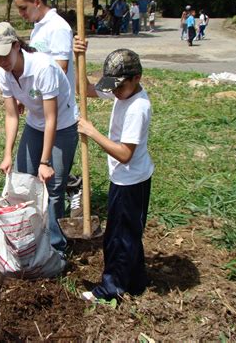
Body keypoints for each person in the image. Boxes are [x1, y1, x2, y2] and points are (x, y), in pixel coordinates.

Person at [0, 22, 78, 256]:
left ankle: (56, 247)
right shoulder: (3, 72)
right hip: (35, 124)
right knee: (22, 179)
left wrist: (45, 162)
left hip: (62, 125)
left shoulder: (43, 67)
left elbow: (51, 119)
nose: (1, 61)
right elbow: (11, 114)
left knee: (53, 188)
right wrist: (7, 154)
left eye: (5, 54)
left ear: (17, 46)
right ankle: (30, 240)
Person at [73, 38, 154, 303]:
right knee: (128, 232)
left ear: (136, 78)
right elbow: (83, 88)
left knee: (119, 238)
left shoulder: (137, 108)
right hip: (126, 178)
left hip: (130, 180)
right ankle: (136, 281)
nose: (115, 92)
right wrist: (79, 58)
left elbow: (125, 153)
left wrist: (92, 131)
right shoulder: (122, 89)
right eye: (114, 87)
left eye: (120, 87)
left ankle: (110, 290)